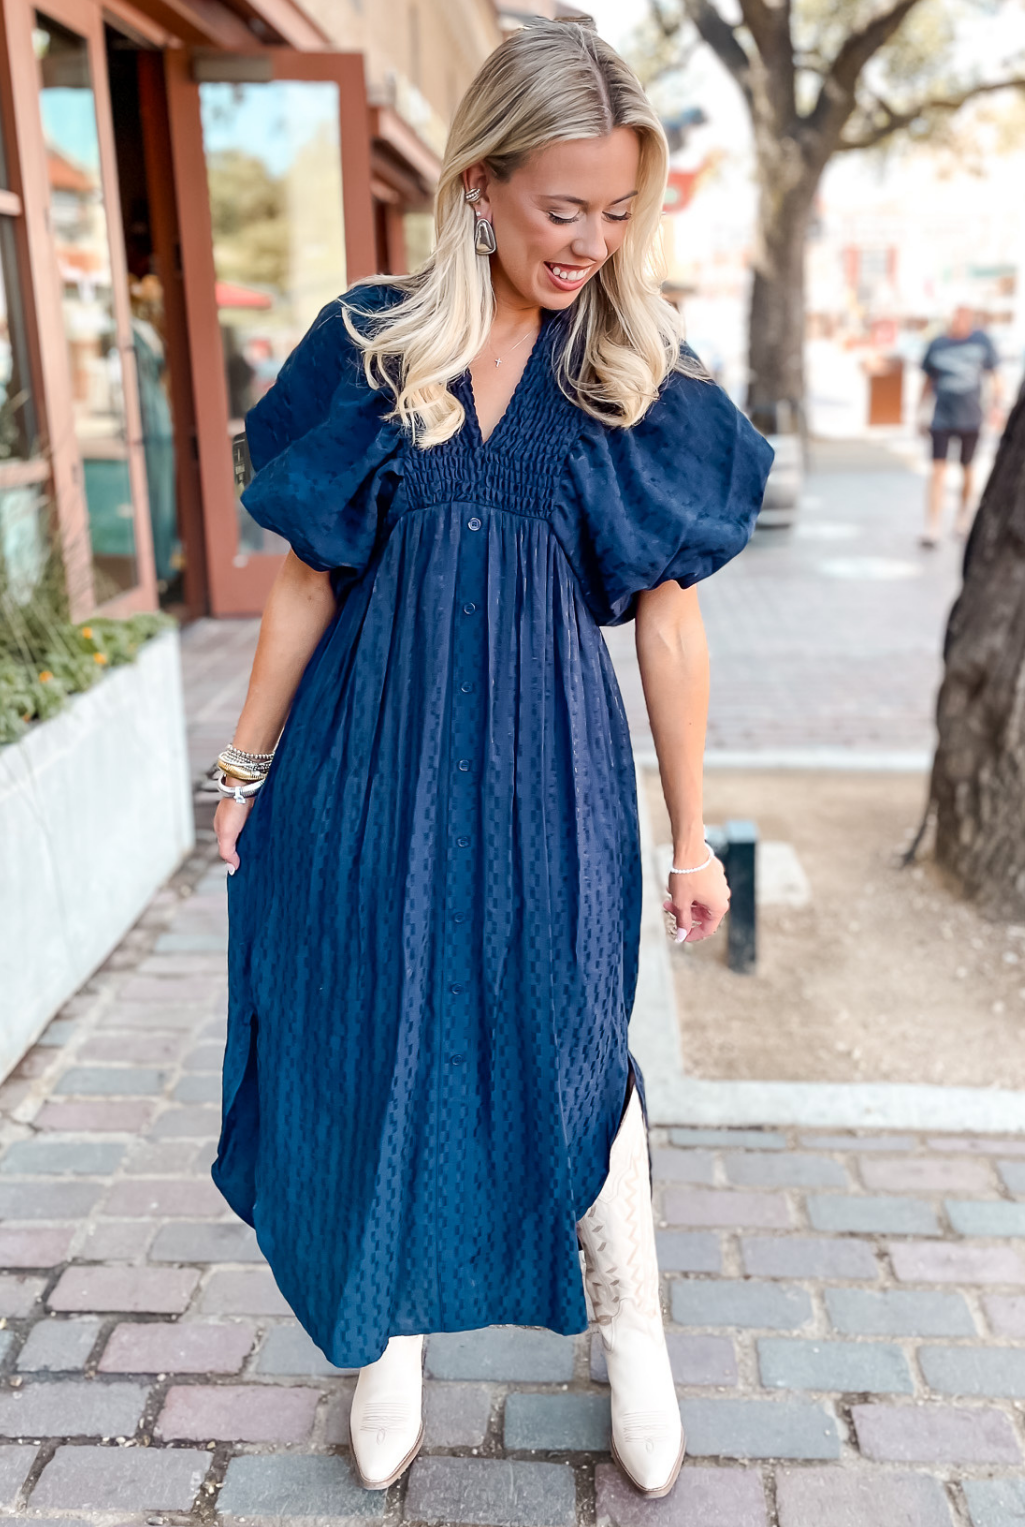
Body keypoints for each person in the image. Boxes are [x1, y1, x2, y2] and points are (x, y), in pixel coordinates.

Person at [210, 18, 772, 1503]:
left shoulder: (635, 373)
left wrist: (691, 834)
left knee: (568, 1032)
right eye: (560, 207)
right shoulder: (370, 344)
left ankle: (632, 1322)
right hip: (366, 764)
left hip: (551, 777)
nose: (589, 241)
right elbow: (307, 576)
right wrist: (244, 771)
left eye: (616, 210)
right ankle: (384, 1322)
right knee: (372, 1015)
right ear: (477, 183)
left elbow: (669, 629)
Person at [918, 303, 1002, 546]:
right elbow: (927, 381)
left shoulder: (981, 342)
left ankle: (962, 517)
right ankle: (932, 526)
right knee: (937, 471)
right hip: (941, 417)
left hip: (970, 418)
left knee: (967, 470)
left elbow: (996, 376)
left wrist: (997, 406)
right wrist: (920, 412)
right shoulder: (937, 344)